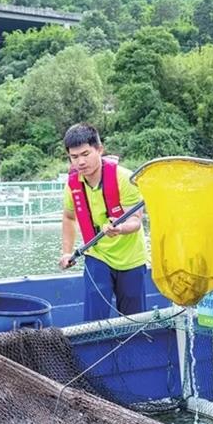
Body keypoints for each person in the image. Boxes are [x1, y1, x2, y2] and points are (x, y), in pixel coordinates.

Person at [58, 123, 148, 321]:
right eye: (74, 157)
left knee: (134, 321)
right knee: (94, 319)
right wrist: (66, 252)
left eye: (85, 154)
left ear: (99, 150)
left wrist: (121, 227)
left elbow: (135, 221)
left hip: (131, 257)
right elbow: (69, 217)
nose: (80, 162)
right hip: (97, 254)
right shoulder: (73, 185)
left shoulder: (124, 178)